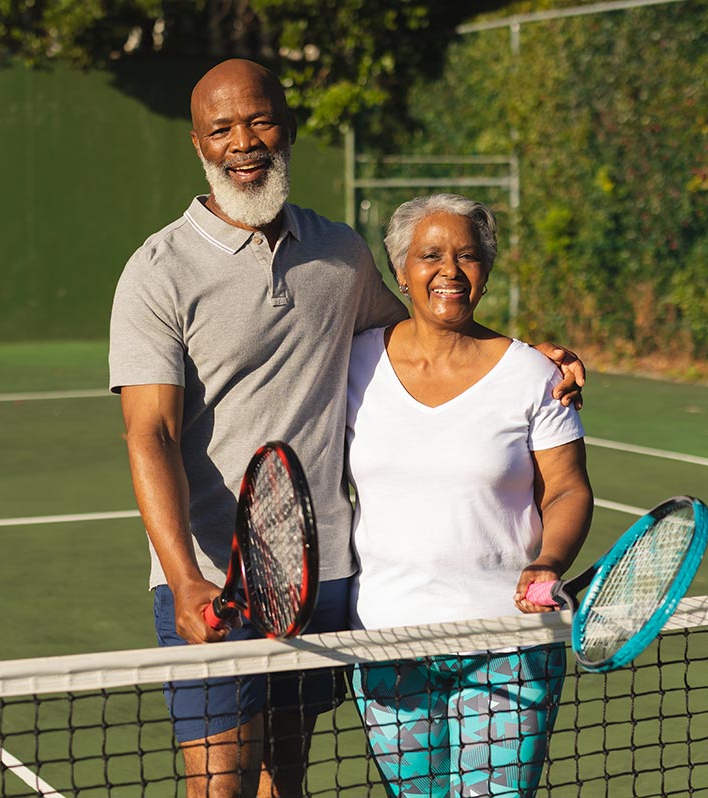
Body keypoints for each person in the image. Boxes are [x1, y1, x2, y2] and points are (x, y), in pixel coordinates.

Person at [109, 59, 585, 798]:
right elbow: (150, 435)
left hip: (326, 577)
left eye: (260, 121)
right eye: (222, 129)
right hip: (216, 581)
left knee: (286, 775)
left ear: (289, 129)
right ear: (199, 145)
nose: (244, 142)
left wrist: (524, 353)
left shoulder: (340, 253)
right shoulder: (158, 271)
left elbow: (429, 334)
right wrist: (182, 578)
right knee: (218, 787)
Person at [345, 194, 594, 797]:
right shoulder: (352, 364)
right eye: (430, 255)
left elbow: (567, 489)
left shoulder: (534, 375)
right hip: (385, 644)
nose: (450, 271)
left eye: (468, 255)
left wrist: (548, 562)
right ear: (400, 270)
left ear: (486, 269)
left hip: (507, 645)